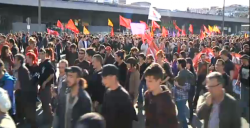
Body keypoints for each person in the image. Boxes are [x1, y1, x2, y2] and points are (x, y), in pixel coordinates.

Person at [144, 63, 178, 128]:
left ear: (159, 80)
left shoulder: (167, 101)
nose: (147, 84)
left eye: (150, 81)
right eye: (146, 80)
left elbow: (173, 124)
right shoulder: (147, 95)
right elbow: (147, 120)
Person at [13, 54, 37, 128]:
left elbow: (25, 83)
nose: (14, 60)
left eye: (15, 59)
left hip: (26, 93)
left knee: (29, 111)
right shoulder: (19, 69)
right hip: (22, 93)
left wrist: (17, 89)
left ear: (19, 61)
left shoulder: (23, 70)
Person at [173, 58, 195, 128]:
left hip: (182, 97)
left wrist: (177, 85)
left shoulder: (186, 74)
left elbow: (187, 87)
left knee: (181, 115)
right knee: (180, 115)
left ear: (180, 64)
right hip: (178, 96)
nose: (176, 65)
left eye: (177, 63)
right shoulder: (181, 72)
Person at [38, 48, 55, 124]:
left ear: (45, 54)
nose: (41, 55)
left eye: (42, 54)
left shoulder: (48, 63)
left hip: (47, 86)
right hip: (41, 86)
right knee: (43, 104)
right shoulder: (40, 64)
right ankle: (46, 119)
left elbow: (52, 74)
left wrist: (45, 82)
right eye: (40, 54)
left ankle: (51, 120)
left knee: (47, 103)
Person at [236, 54, 249, 121]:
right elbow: (239, 74)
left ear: (246, 60)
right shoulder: (242, 66)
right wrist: (238, 81)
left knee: (247, 99)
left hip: (248, 85)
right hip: (243, 84)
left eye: (242, 59)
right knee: (242, 98)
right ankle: (243, 112)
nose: (241, 60)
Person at [186, 58, 196, 124]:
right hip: (185, 89)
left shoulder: (192, 72)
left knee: (190, 104)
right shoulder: (185, 71)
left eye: (186, 63)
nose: (185, 64)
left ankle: (191, 119)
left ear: (189, 64)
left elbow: (193, 82)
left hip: (191, 89)